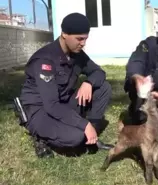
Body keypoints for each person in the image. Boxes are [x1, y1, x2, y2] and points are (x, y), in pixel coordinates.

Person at [18, 13, 113, 158]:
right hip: (40, 110)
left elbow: (99, 72)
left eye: (85, 39)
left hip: (63, 103)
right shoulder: (45, 60)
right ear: (64, 34)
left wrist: (88, 83)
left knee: (103, 87)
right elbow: (51, 105)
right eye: (79, 39)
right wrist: (84, 124)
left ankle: (91, 136)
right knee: (76, 137)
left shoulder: (77, 54)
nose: (83, 43)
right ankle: (40, 137)